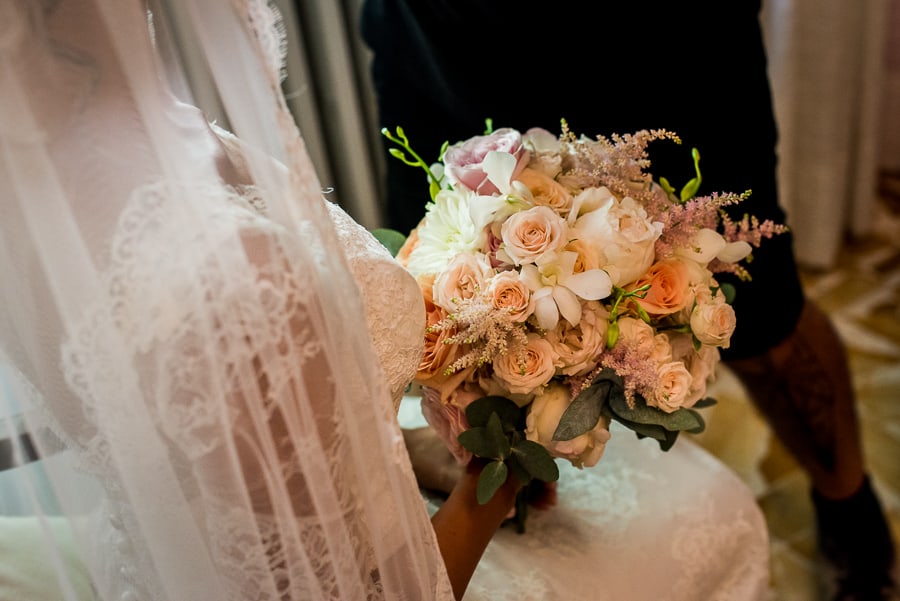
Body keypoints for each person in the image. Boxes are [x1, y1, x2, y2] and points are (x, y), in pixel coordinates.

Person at [359, 1, 898, 599]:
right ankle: (498, 453)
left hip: (654, 50)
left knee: (763, 319)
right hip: (439, 47)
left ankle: (851, 510)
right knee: (453, 319)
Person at [0, 0, 530, 598]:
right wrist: (495, 486)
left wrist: (387, 446)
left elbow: (222, 455)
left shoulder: (29, 191)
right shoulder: (240, 284)